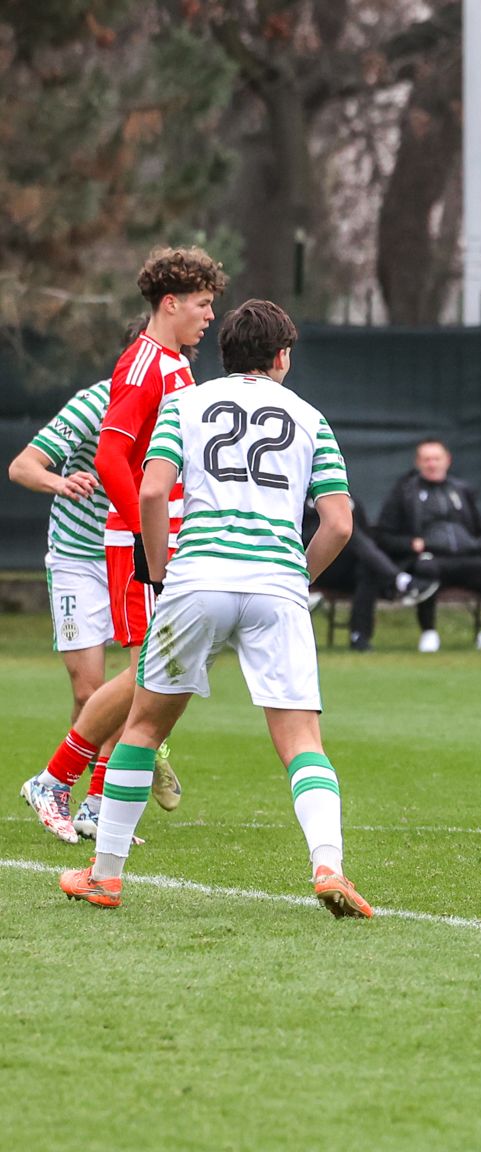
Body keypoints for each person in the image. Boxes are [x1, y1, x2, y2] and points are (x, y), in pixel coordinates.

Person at [58, 298, 372, 917]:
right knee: (302, 739)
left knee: (145, 727)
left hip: (196, 577)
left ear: (225, 354)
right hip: (277, 586)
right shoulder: (310, 417)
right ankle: (328, 864)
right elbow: (338, 523)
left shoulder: (183, 403)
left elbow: (151, 488)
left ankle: (106, 876)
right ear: (281, 356)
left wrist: (157, 568)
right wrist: (293, 577)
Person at [18, 248, 223, 843]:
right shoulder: (142, 367)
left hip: (166, 538)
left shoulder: (173, 366)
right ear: (171, 303)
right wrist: (143, 532)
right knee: (144, 674)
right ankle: (57, 780)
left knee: (156, 673)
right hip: (135, 543)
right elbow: (111, 456)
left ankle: (94, 800)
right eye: (204, 305)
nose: (209, 316)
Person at [10, 376, 118, 837]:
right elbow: (22, 466)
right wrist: (60, 481)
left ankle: (97, 805)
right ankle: (56, 786)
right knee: (89, 690)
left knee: (137, 684)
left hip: (131, 556)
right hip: (77, 558)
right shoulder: (96, 401)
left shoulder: (180, 403)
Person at [373, 439, 481, 652]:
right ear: (418, 463)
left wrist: (478, 545)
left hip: (468, 561)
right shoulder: (404, 493)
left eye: (436, 459)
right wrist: (411, 544)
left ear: (447, 461)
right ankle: (429, 633)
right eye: (426, 459)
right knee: (426, 569)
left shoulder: (462, 490)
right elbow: (384, 536)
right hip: (430, 561)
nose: (432, 464)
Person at [306, 497, 437, 651]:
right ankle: (399, 581)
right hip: (312, 569)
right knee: (343, 530)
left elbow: (366, 537)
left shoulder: (347, 498)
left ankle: (359, 636)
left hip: (344, 569)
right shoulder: (300, 497)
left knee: (368, 568)